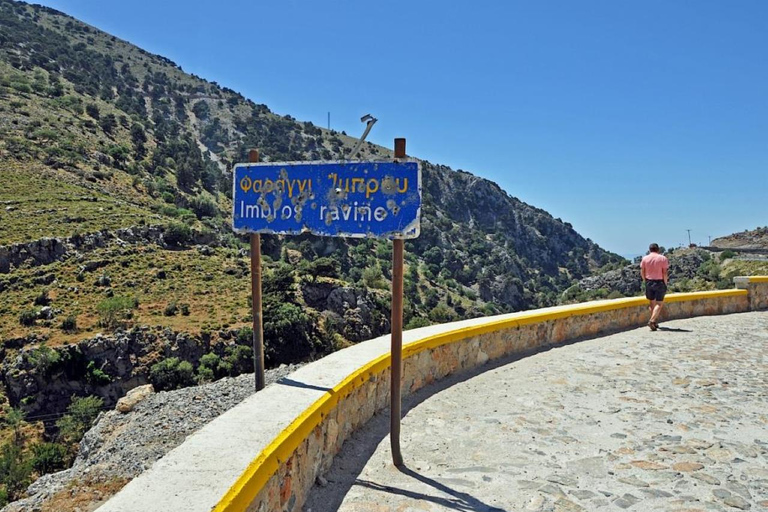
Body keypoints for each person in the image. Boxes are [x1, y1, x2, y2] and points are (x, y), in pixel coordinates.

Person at [640, 243, 669, 331]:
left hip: (649, 281)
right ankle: (652, 320)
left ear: (649, 250)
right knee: (659, 303)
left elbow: (642, 271)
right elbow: (664, 272)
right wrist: (665, 282)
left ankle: (654, 321)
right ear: (658, 249)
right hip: (659, 282)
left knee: (652, 303)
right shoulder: (663, 258)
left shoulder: (645, 258)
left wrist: (645, 280)